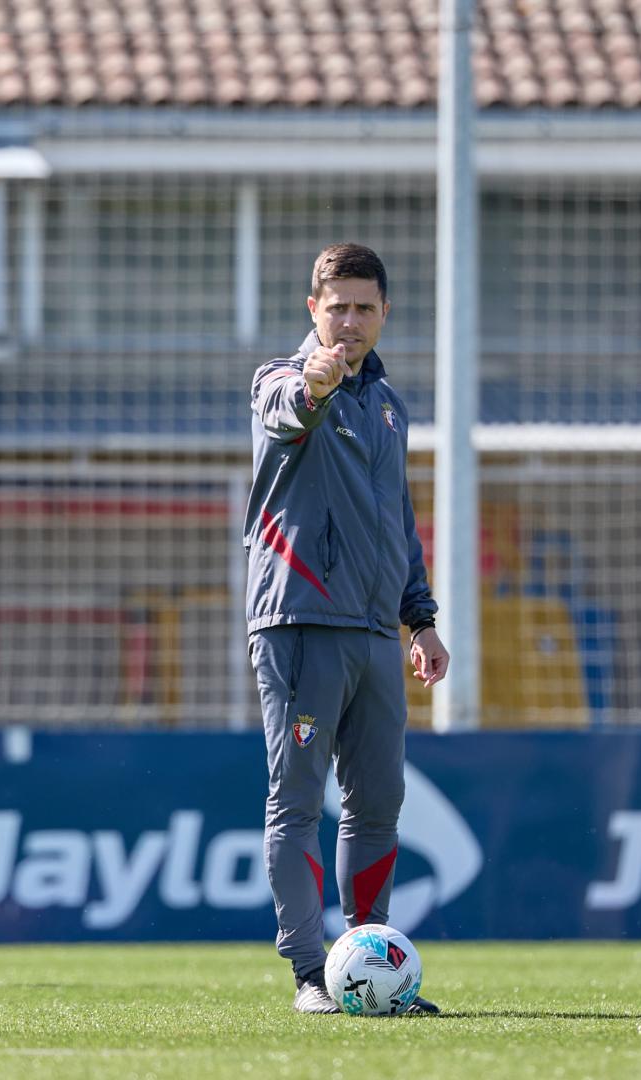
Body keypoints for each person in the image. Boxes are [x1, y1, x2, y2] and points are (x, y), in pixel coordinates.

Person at [246, 243, 450, 1015]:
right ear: (313, 310)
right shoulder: (283, 379)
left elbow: (398, 523)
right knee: (296, 800)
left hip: (373, 630)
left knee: (378, 802)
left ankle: (367, 961)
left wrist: (420, 620)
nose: (351, 321)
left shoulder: (390, 405)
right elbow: (286, 407)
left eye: (365, 307)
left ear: (384, 313)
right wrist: (313, 384)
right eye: (338, 307)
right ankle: (307, 974)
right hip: (299, 621)